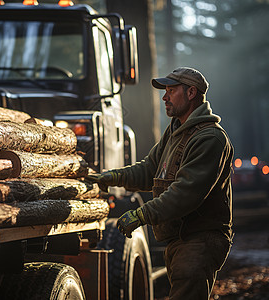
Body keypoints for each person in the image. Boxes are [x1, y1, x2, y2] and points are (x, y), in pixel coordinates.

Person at [87, 67, 234, 299]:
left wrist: (142, 215)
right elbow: (150, 170)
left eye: (171, 90)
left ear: (191, 93)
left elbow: (185, 193)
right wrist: (113, 177)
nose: (165, 97)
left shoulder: (210, 138)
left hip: (200, 239)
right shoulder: (176, 132)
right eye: (165, 90)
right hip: (182, 239)